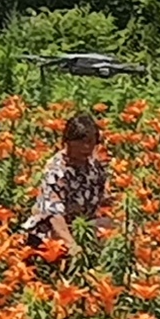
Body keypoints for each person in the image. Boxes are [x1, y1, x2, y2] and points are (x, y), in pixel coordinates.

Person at [21, 112, 113, 263]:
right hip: (53, 234)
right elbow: (53, 215)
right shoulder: (56, 170)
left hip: (82, 227)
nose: (87, 147)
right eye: (81, 142)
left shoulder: (93, 165)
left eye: (91, 142)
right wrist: (73, 246)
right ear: (67, 141)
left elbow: (105, 199)